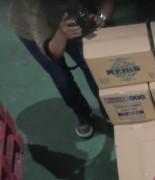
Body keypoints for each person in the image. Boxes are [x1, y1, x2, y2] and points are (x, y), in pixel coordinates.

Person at [8, 0, 116, 138]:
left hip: (73, 19)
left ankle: (109, 112)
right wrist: (62, 34)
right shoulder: (34, 6)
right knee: (62, 79)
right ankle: (82, 114)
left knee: (93, 69)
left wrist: (102, 17)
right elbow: (50, 54)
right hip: (32, 30)